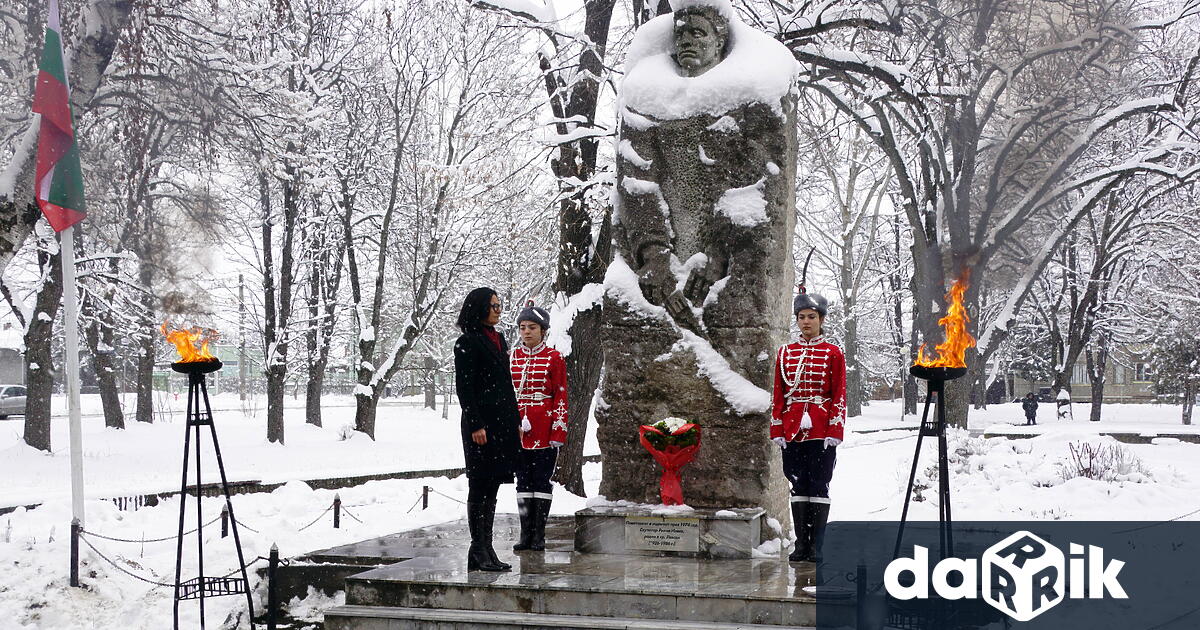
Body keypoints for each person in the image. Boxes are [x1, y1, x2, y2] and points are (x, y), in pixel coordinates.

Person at [770, 279, 846, 563]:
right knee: (797, 484)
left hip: (821, 427)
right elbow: (779, 394)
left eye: (811, 317)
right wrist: (777, 427)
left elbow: (839, 393)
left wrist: (835, 428)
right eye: (801, 317)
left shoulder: (833, 353)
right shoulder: (785, 353)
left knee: (819, 485)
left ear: (821, 319)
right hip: (791, 429)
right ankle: (802, 545)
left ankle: (817, 547)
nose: (805, 322)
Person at [454, 287, 520, 572]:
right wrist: (476, 424)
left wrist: (516, 420)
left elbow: (506, 383)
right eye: (492, 305)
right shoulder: (466, 342)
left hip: (502, 423)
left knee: (492, 484)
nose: (498, 309)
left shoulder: (498, 339)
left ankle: (485, 548)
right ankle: (478, 547)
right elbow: (465, 388)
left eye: (499, 304)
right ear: (479, 308)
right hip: (480, 425)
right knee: (479, 484)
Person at [509, 302, 568, 552]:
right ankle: (525, 534)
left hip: (544, 426)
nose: (526, 332)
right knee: (522, 481)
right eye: (523, 327)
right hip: (518, 429)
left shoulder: (555, 358)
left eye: (532, 327)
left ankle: (539, 534)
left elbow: (561, 396)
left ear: (543, 330)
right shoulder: (513, 356)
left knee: (541, 481)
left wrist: (558, 430)